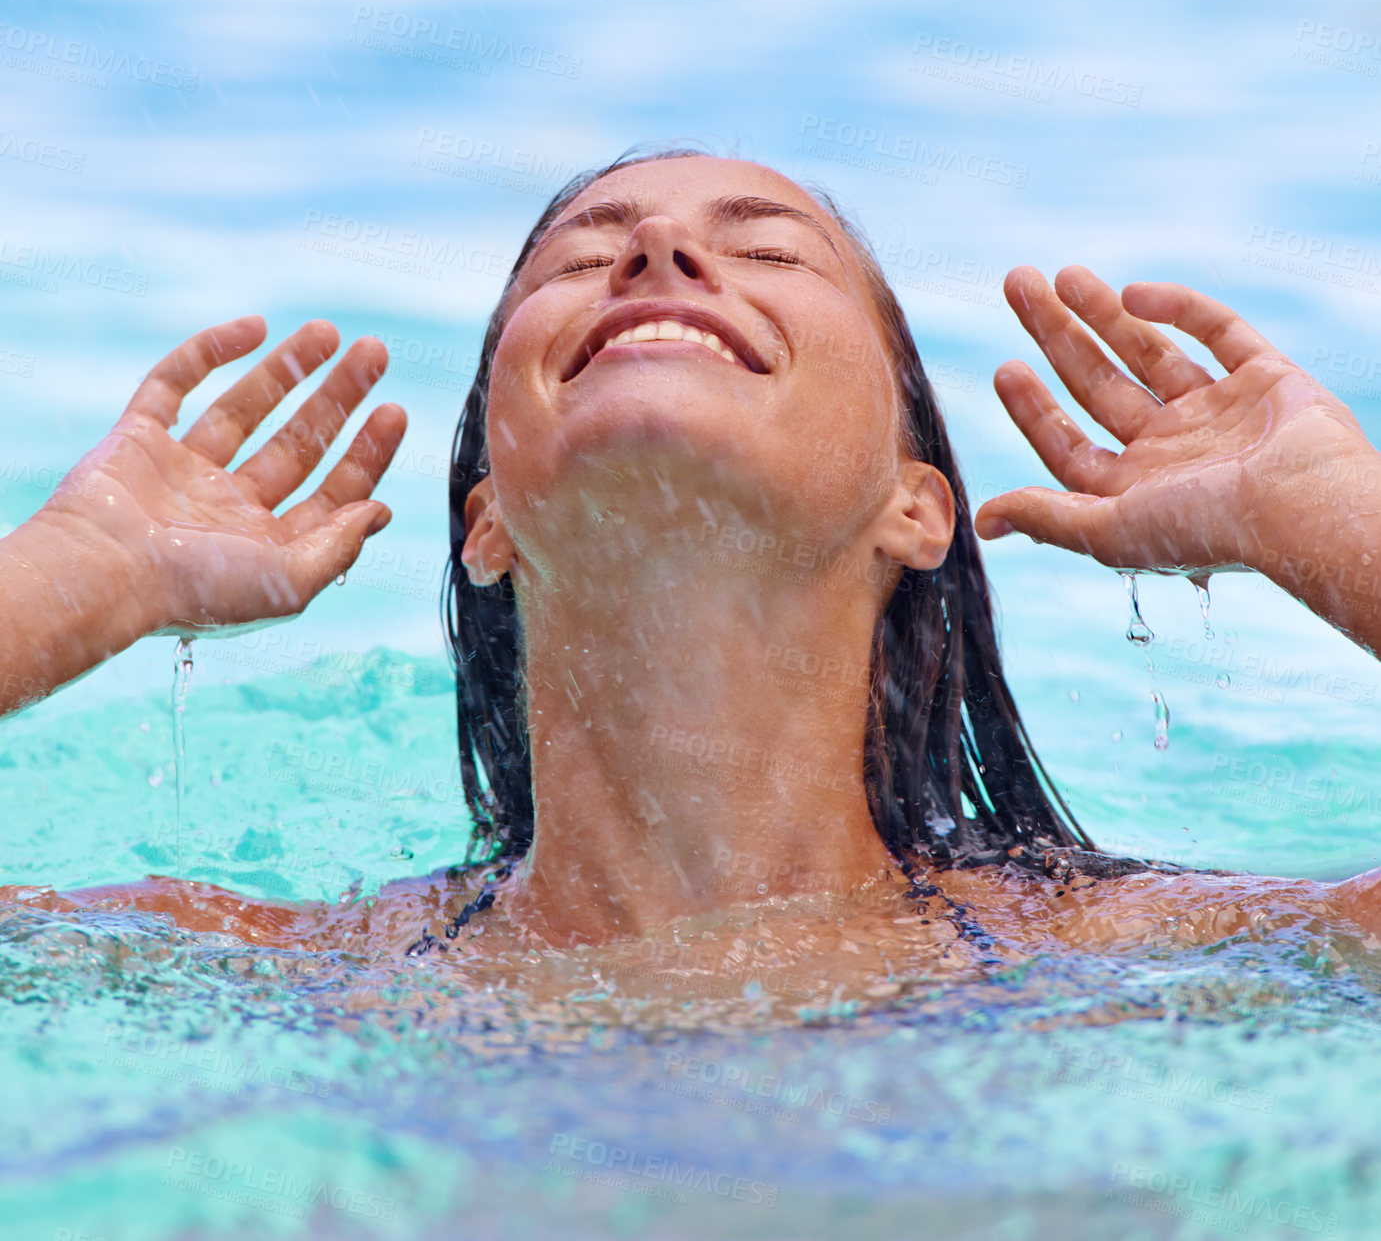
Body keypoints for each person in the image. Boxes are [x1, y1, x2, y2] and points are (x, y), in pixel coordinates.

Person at [5, 149, 1381, 987]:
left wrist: (1325, 515)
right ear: (486, 519)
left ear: (918, 508)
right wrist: (77, 576)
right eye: (585, 258)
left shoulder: (1144, 959)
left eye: (764, 250)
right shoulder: (280, 977)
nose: (657, 256)